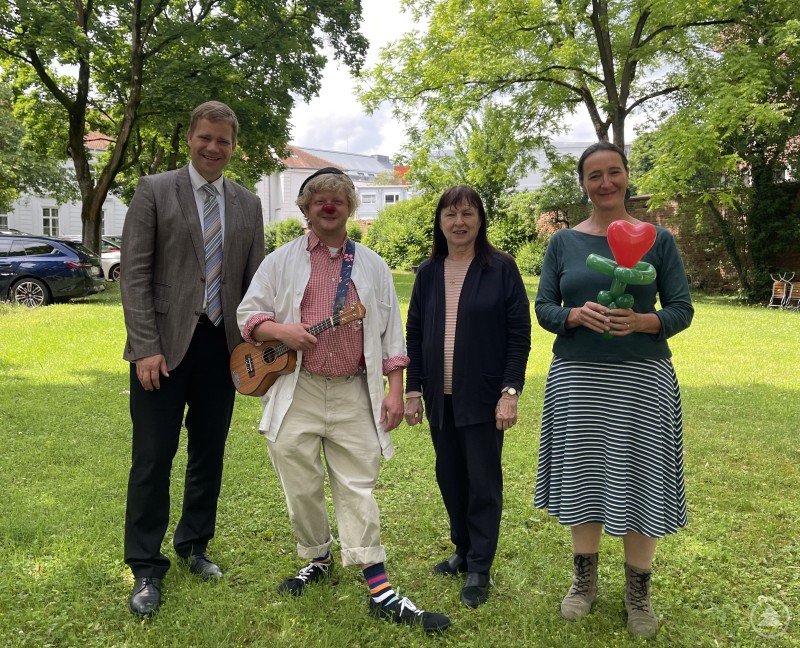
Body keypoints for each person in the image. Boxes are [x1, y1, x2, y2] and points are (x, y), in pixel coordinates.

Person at [236, 167, 451, 633]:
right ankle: (317, 556)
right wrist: (281, 331)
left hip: (355, 389)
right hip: (300, 387)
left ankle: (380, 588)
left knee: (357, 484)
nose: (328, 205)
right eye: (319, 200)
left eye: (337, 199)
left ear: (350, 207)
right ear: (306, 208)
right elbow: (249, 314)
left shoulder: (371, 265)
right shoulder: (280, 261)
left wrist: (396, 391)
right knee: (300, 480)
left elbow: (392, 334)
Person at [533, 142, 694, 638]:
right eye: (594, 175)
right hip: (578, 379)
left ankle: (638, 594)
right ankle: (584, 583)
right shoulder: (563, 243)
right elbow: (543, 308)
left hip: (643, 380)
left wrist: (646, 321)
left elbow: (682, 309)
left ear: (627, 176)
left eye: (614, 173)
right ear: (583, 183)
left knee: (641, 478)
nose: (606, 183)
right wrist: (574, 314)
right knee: (585, 478)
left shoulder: (658, 240)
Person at [120, 101, 265, 617]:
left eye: (223, 140)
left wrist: (256, 350)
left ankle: (194, 545)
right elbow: (134, 276)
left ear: (233, 146)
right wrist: (146, 348)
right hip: (163, 349)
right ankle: (145, 565)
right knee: (153, 458)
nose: (213, 147)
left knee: (209, 453)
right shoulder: (154, 191)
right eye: (206, 137)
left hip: (222, 350)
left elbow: (253, 287)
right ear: (190, 137)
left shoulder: (248, 204)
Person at [404, 185, 531, 608]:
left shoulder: (501, 268)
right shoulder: (427, 272)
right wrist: (413, 389)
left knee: (483, 482)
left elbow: (519, 335)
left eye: (468, 214)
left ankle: (480, 566)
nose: (459, 222)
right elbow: (415, 334)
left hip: (482, 396)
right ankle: (462, 549)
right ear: (439, 223)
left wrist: (510, 391)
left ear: (480, 220)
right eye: (450, 215)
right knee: (450, 476)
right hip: (441, 399)